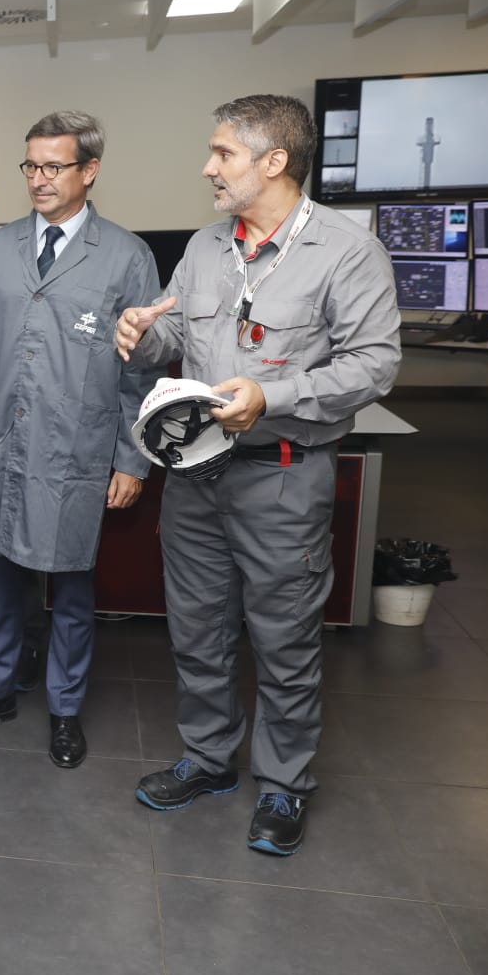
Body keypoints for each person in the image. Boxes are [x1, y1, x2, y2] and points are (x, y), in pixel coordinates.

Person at [115, 94, 400, 853]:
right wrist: (143, 334)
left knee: (284, 638)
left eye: (222, 154)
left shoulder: (346, 250)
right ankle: (209, 759)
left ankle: (284, 785)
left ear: (274, 162)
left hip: (282, 473)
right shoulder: (208, 247)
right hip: (196, 476)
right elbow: (176, 329)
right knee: (198, 631)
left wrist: (275, 395)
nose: (207, 167)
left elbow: (375, 364)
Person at [0, 111, 158, 771]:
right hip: (0, 442)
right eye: (30, 166)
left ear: (88, 171)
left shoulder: (125, 255)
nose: (39, 179)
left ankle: (64, 708)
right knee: (0, 577)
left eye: (53, 166)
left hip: (76, 449)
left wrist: (132, 461)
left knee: (71, 586)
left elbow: (141, 372)